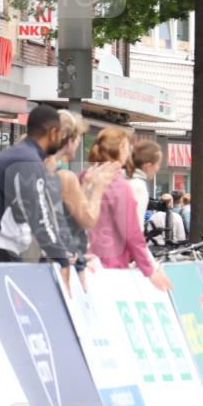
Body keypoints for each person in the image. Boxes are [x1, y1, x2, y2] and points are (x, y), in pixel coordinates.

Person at [0, 104, 74, 266]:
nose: (60, 140)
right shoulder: (28, 162)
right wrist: (61, 258)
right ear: (52, 133)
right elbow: (39, 215)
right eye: (60, 134)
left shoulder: (6, 156)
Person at [86, 128, 172, 291]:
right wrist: (151, 269)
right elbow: (133, 233)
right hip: (111, 265)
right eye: (127, 146)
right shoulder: (124, 186)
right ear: (121, 148)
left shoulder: (86, 178)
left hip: (87, 261)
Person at [50, 110, 119, 281]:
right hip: (61, 262)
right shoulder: (64, 176)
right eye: (79, 137)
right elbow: (88, 219)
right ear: (70, 140)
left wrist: (86, 186)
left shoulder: (44, 168)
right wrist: (98, 187)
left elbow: (69, 211)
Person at [129, 140, 162, 231]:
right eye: (158, 164)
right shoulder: (138, 187)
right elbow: (134, 228)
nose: (158, 168)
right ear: (148, 166)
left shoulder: (127, 179)